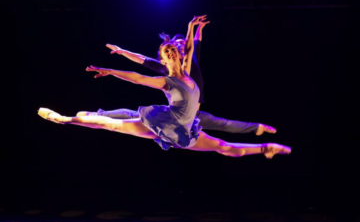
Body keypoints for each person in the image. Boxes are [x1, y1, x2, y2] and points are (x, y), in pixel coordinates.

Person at [38, 15, 291, 158]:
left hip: (185, 131)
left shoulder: (188, 72)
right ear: (163, 58)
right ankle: (65, 119)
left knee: (223, 147)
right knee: (113, 124)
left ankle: (265, 149)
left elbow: (191, 46)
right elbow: (136, 76)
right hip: (165, 123)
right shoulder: (166, 80)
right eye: (166, 50)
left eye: (174, 48)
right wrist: (110, 70)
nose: (172, 50)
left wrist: (192, 28)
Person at [77, 19, 275, 136]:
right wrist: (122, 52)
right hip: (175, 115)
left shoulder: (189, 61)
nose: (180, 47)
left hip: (193, 116)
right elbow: (140, 64)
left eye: (181, 45)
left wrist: (198, 28)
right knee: (133, 116)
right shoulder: (167, 66)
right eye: (176, 45)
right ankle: (98, 114)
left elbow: (194, 44)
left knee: (222, 126)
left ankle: (256, 128)